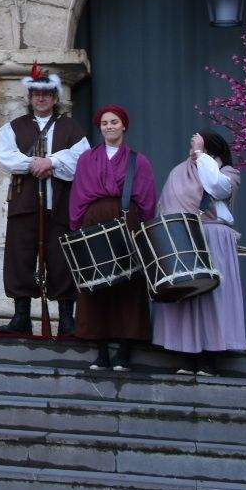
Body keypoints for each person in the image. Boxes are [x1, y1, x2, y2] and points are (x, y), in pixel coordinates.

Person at [0, 67, 88, 335]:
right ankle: (21, 316)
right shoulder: (12, 127)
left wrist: (52, 162)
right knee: (20, 258)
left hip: (59, 206)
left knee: (62, 260)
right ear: (30, 97)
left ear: (55, 98)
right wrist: (36, 163)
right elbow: (7, 157)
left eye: (47, 94)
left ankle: (66, 320)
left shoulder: (71, 127)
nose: (41, 98)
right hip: (24, 205)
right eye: (36, 94)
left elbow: (81, 159)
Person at [70, 105, 157, 371]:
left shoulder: (138, 161)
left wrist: (142, 231)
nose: (109, 127)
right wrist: (78, 228)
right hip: (94, 222)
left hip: (126, 219)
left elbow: (147, 200)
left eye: (114, 122)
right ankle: (101, 351)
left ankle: (124, 351)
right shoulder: (87, 159)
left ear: (124, 126)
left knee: (128, 285)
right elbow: (78, 195)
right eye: (105, 123)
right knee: (97, 284)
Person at [152, 130, 245, 374]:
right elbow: (166, 204)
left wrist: (201, 155)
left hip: (213, 238)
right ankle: (186, 355)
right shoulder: (179, 172)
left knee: (212, 297)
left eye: (199, 146)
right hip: (184, 236)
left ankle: (211, 357)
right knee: (187, 295)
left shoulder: (228, 173)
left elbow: (216, 187)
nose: (193, 151)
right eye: (192, 146)